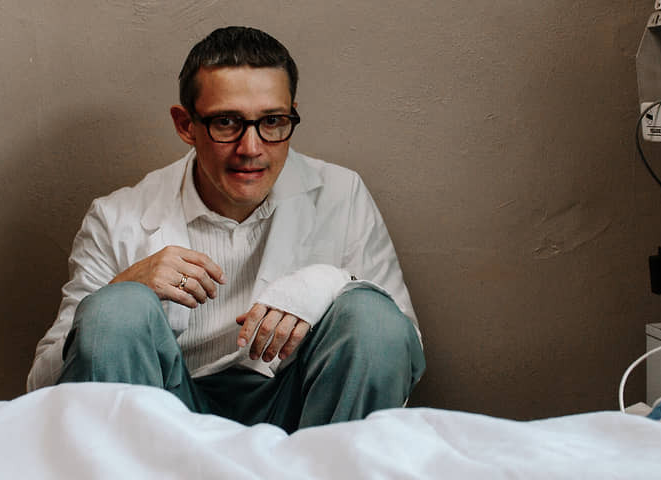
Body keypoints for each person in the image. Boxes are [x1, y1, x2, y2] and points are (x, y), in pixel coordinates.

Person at [28, 26, 425, 432]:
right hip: (165, 419)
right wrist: (125, 286)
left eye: (273, 121)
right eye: (226, 122)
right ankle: (139, 475)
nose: (251, 148)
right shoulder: (114, 217)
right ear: (186, 125)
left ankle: (326, 475)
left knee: (373, 319)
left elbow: (400, 348)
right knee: (117, 309)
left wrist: (328, 282)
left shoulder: (342, 193)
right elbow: (41, 385)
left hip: (301, 416)